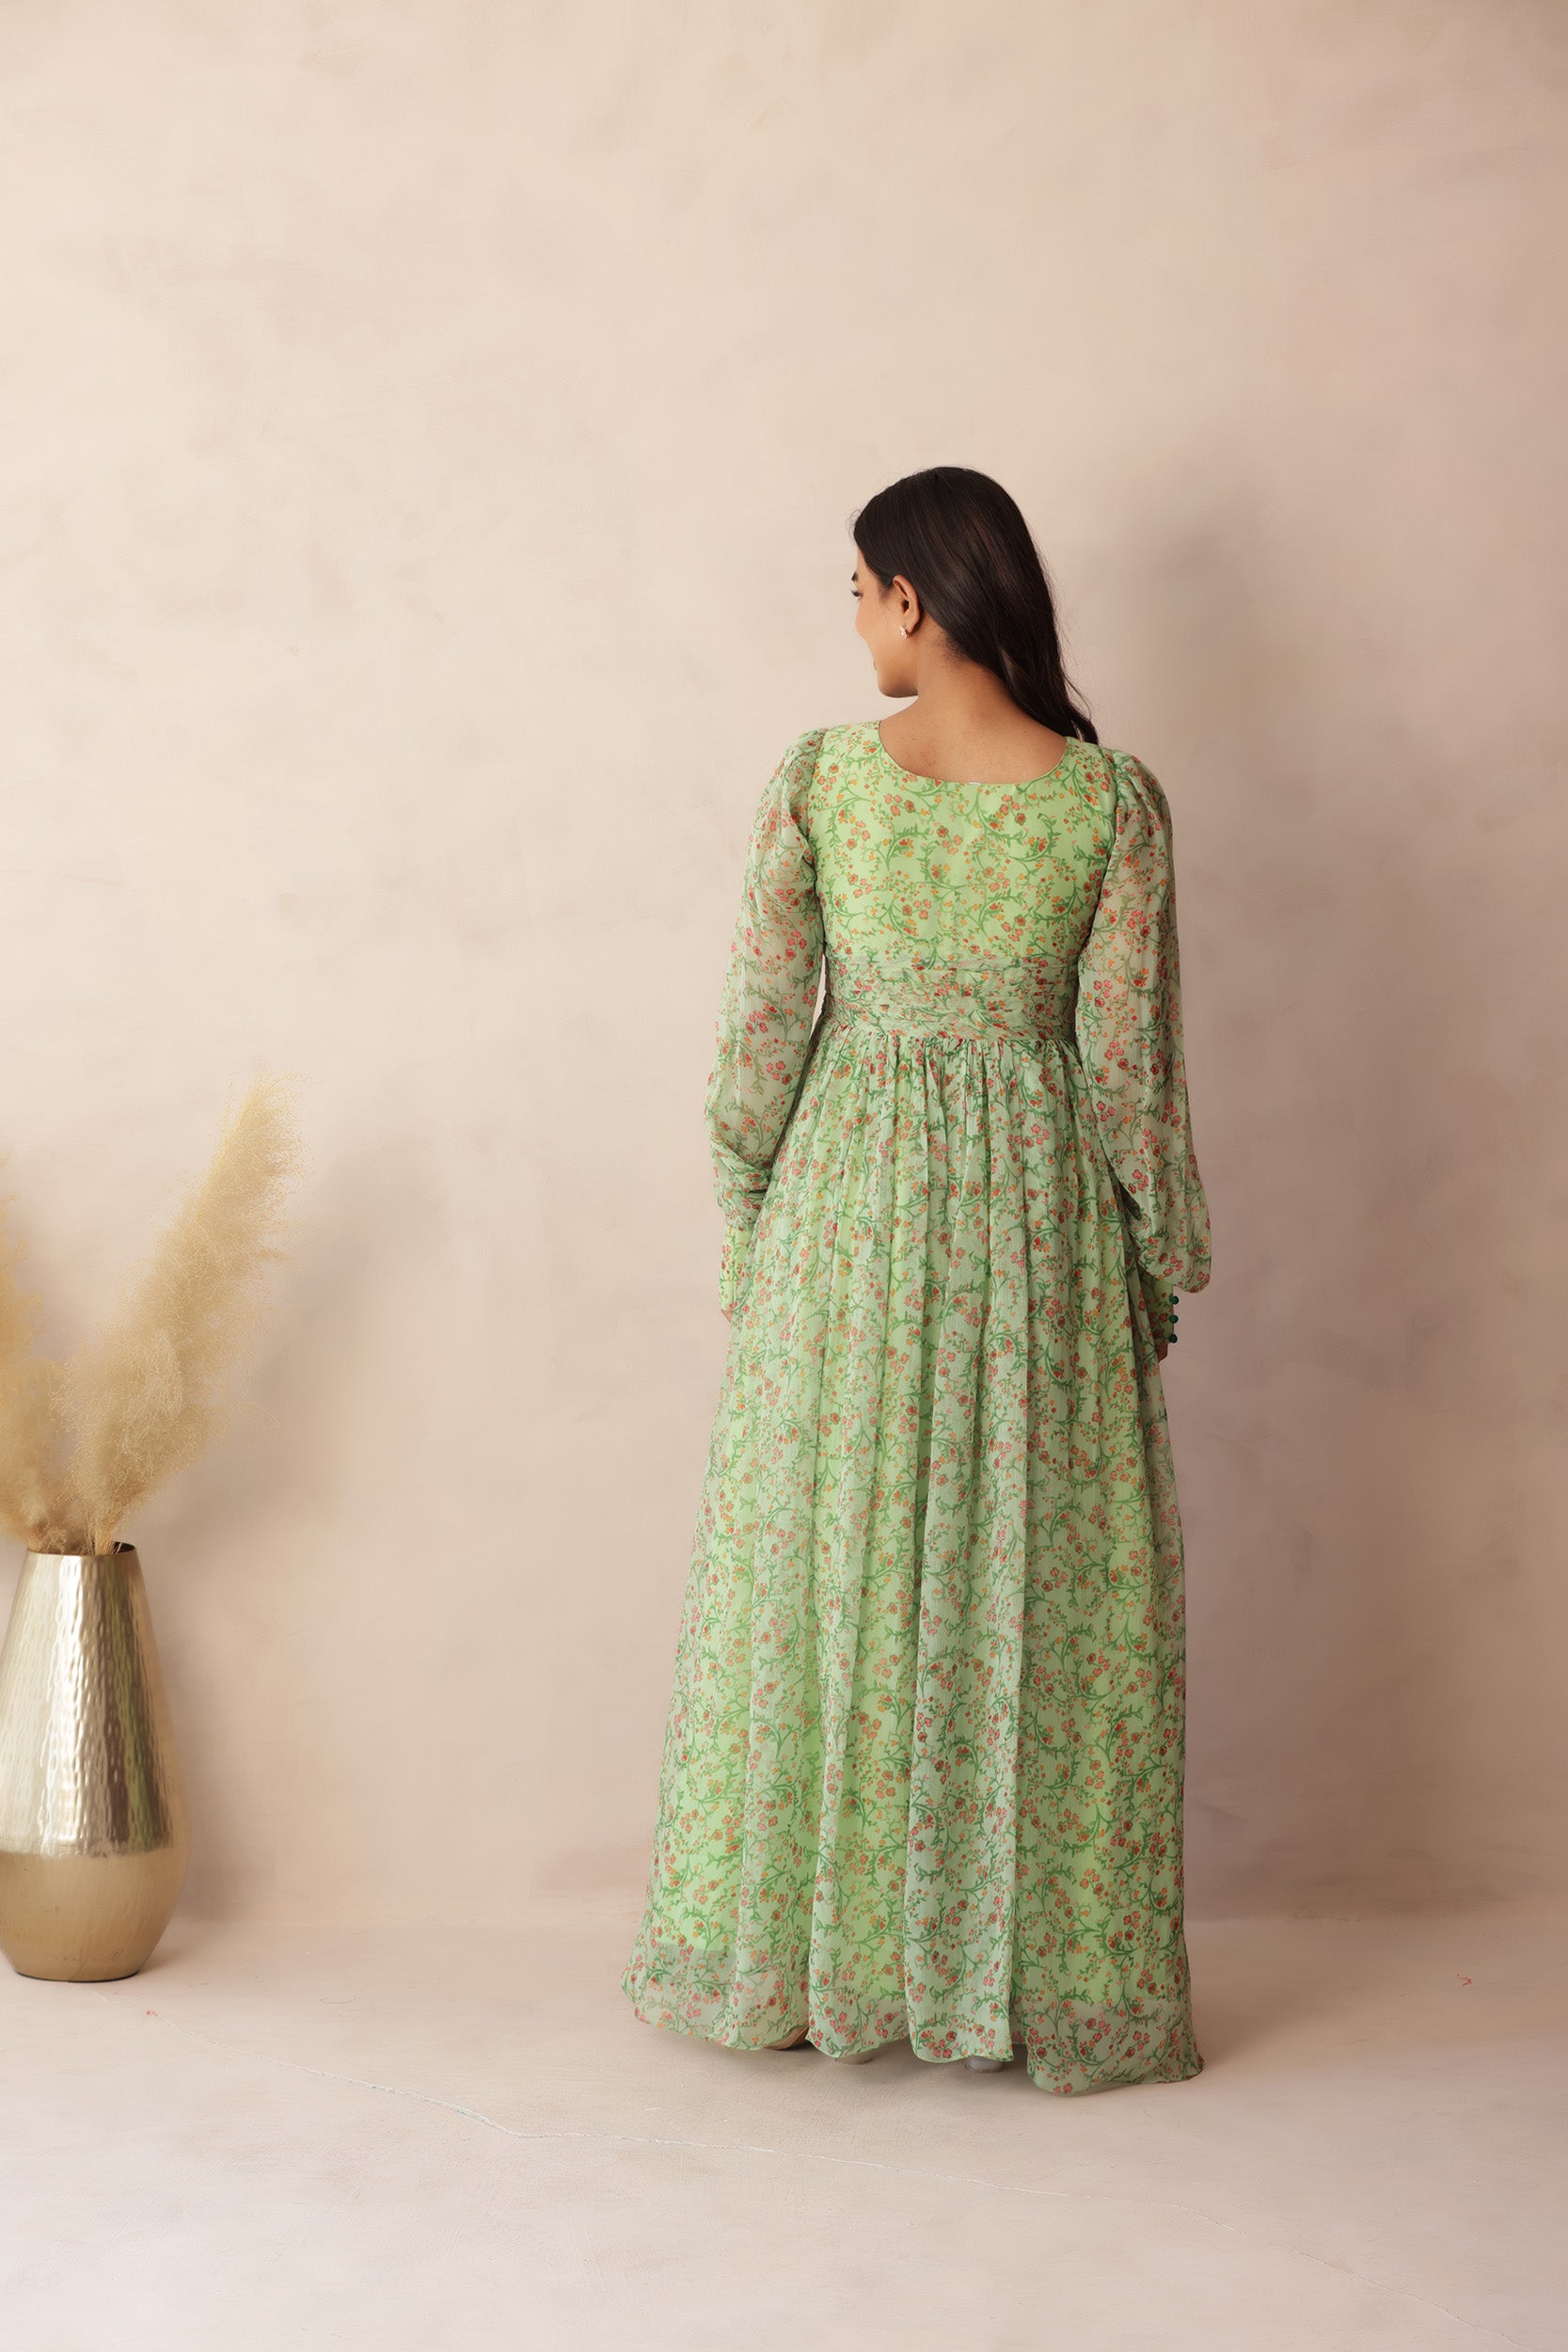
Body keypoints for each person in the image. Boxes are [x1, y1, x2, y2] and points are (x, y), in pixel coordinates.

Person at [621, 465, 1212, 2094]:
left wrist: (752, 1208)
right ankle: (1025, 1978)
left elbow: (761, 1035)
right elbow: (1130, 1075)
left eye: (859, 589)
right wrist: (1160, 1254)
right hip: (1038, 1229)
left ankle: (825, 1961)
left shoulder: (823, 782)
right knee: (1033, 1588)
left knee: (830, 1568)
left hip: (849, 1219)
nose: (855, 620)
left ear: (916, 596)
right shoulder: (1110, 805)